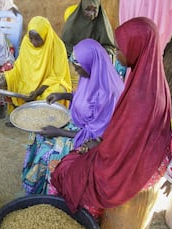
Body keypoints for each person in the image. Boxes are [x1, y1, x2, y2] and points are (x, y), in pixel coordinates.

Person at [51, 17, 172, 214]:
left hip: (126, 162)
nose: (116, 54)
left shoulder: (141, 97)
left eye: (119, 49)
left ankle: (71, 212)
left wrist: (94, 147)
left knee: (67, 171)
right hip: (124, 150)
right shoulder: (148, 78)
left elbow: (122, 146)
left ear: (136, 48)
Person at [21, 38, 123, 218]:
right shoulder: (91, 74)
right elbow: (82, 96)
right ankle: (34, 190)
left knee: (50, 153)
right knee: (37, 134)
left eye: (78, 66)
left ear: (91, 64)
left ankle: (51, 200)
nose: (75, 70)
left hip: (91, 139)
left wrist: (59, 132)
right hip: (77, 124)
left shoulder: (109, 93)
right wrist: (63, 94)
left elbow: (96, 134)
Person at [0, 16, 72, 125]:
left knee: (56, 92)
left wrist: (37, 91)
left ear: (45, 35)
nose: (33, 42)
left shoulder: (57, 46)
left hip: (48, 83)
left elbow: (57, 76)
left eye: (38, 39)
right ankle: (19, 114)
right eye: (31, 38)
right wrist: (16, 78)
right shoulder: (26, 41)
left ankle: (44, 122)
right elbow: (21, 66)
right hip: (26, 78)